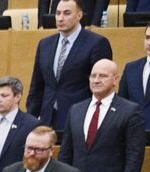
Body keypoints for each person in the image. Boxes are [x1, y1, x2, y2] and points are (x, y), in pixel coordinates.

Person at [60, 59, 146, 172]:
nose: (96, 80)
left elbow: (135, 155)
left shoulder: (130, 111)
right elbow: (66, 152)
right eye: (93, 76)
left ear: (115, 79)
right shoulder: (76, 110)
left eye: (103, 76)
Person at [29, 0, 113, 132]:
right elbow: (37, 86)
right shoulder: (45, 44)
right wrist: (31, 119)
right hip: (47, 120)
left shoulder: (96, 43)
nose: (60, 18)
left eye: (67, 13)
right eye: (58, 13)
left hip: (80, 120)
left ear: (79, 15)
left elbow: (102, 87)